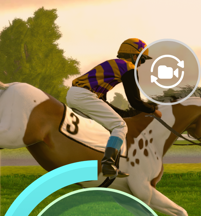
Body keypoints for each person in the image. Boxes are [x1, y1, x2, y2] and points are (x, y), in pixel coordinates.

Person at [68, 38, 159, 177]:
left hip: (75, 94)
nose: (141, 64)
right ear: (135, 56)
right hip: (84, 96)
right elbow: (135, 101)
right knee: (120, 126)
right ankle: (108, 164)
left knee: (99, 128)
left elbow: (103, 101)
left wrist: (123, 113)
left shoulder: (112, 64)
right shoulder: (129, 67)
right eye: (142, 59)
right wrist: (153, 110)